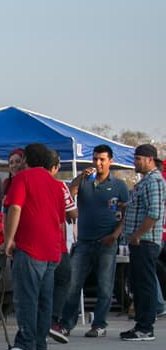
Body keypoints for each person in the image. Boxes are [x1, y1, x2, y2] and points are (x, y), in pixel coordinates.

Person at [0, 142, 68, 350]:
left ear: (27, 160)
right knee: (44, 298)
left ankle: (26, 343)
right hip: (52, 249)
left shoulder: (22, 178)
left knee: (26, 296)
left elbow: (15, 208)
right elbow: (60, 220)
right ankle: (40, 343)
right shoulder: (57, 185)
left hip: (30, 247)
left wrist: (9, 240)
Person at [58, 144, 128, 338]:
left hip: (107, 242)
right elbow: (68, 197)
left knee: (105, 286)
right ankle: (66, 324)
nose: (98, 163)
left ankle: (99, 325)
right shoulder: (84, 182)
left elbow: (126, 213)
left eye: (102, 159)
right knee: (73, 284)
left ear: (110, 161)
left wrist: (115, 235)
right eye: (95, 159)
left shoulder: (119, 185)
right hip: (84, 242)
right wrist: (80, 178)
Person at [118, 144, 165, 341]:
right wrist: (125, 206)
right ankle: (141, 324)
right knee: (138, 282)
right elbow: (142, 205)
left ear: (149, 159)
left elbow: (154, 213)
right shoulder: (145, 181)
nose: (135, 163)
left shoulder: (154, 181)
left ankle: (145, 327)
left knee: (144, 284)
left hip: (145, 241)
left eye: (138, 159)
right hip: (139, 241)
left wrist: (137, 234)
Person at [48, 151, 78, 342]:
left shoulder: (23, 183)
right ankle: (52, 320)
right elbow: (73, 213)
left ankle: (37, 322)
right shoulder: (59, 186)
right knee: (63, 279)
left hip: (31, 245)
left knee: (39, 284)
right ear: (56, 167)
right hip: (57, 244)